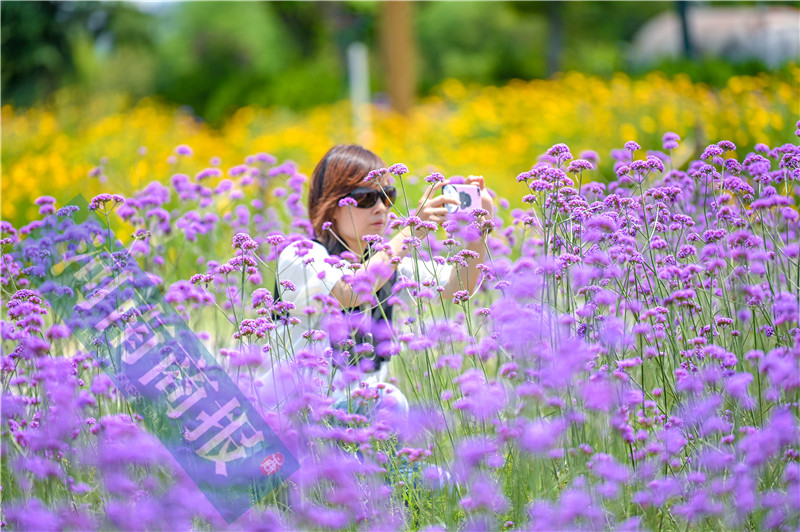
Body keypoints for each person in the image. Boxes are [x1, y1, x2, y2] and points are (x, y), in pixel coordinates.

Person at [265, 144, 494, 413]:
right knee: (390, 401)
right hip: (298, 423)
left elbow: (459, 288)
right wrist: (412, 231)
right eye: (364, 198)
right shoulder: (302, 254)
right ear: (330, 205)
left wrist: (480, 230)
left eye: (387, 196)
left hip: (363, 427)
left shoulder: (388, 263)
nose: (380, 208)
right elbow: (350, 291)